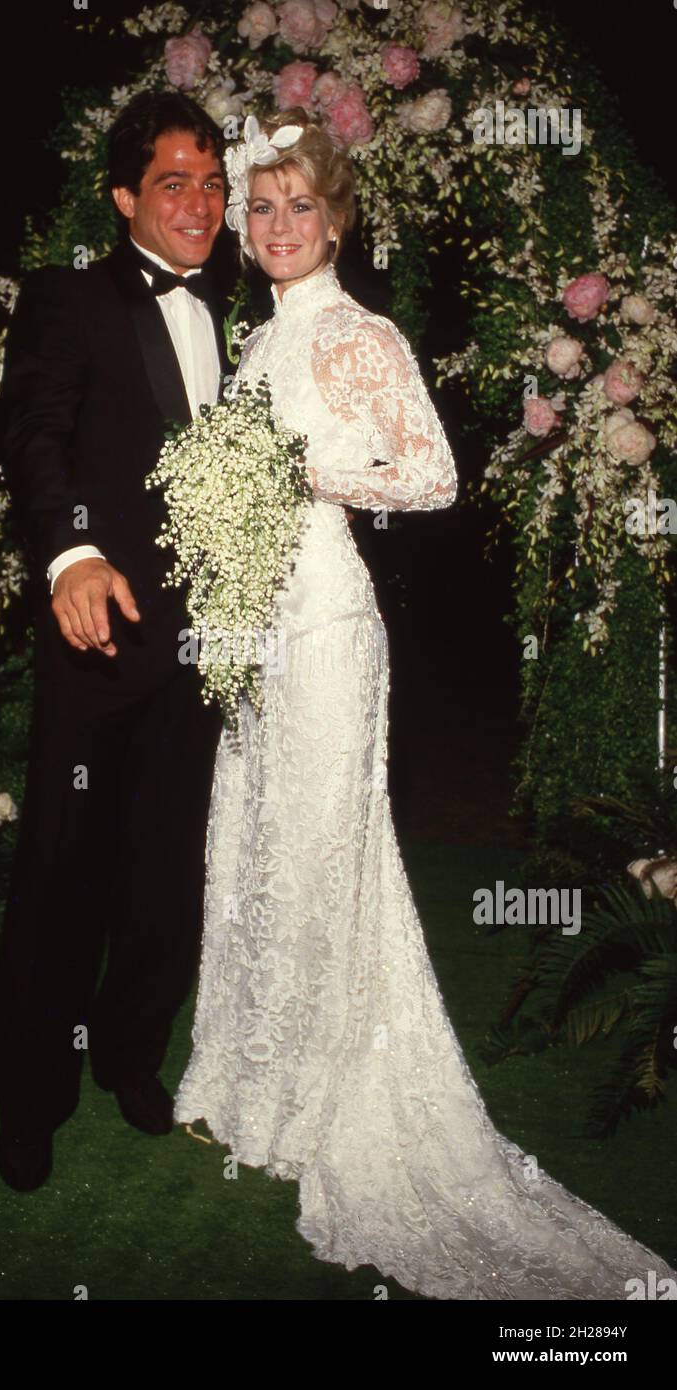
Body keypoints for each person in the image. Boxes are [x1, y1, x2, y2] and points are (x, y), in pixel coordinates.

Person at [173, 108, 677, 1299]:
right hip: (254, 628)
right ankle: (250, 1081)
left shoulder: (359, 334)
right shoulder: (250, 346)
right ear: (244, 225)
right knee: (251, 844)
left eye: (302, 204)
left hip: (330, 625)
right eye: (263, 205)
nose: (280, 224)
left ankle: (320, 1095)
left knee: (318, 846)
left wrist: (300, 475)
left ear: (336, 219)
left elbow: (433, 475)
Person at [0, 92, 229, 1191]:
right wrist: (69, 555)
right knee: (60, 875)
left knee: (162, 875)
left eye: (213, 182)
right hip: (97, 641)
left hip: (204, 654)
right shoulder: (67, 299)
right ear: (127, 196)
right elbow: (33, 435)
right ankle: (30, 1100)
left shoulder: (241, 313)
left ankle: (130, 1056)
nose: (200, 202)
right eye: (174, 181)